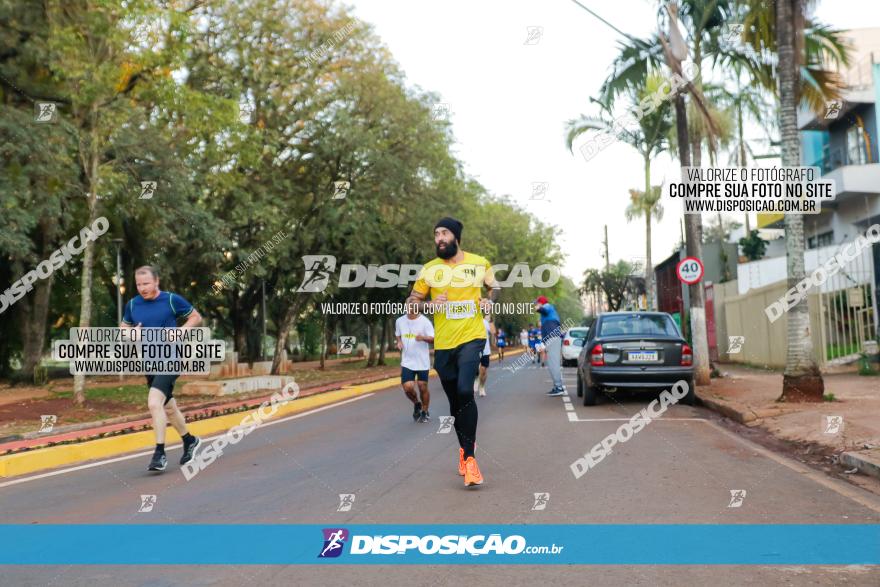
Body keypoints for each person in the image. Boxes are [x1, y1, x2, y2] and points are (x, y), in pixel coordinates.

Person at [407, 217, 500, 487]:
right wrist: (428, 304)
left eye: (444, 233)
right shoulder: (429, 269)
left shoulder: (479, 263)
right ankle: (464, 450)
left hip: (471, 337)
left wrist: (487, 299)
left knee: (464, 390)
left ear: (456, 237)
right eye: (436, 234)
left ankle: (470, 461)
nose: (439, 238)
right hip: (444, 344)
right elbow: (412, 302)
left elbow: (495, 287)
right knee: (454, 402)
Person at [120, 265, 202, 472]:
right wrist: (131, 335)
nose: (142, 288)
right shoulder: (132, 304)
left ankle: (159, 453)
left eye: (146, 283)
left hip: (171, 359)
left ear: (156, 281)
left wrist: (181, 331)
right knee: (168, 407)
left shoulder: (172, 300)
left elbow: (196, 317)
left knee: (154, 403)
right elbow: (124, 328)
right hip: (149, 362)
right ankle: (189, 440)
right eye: (139, 284)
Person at [395, 309, 434, 423]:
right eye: (408, 305)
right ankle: (417, 403)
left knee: (422, 386)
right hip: (407, 361)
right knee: (407, 387)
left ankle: (425, 411)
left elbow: (433, 338)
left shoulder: (425, 321)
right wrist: (399, 342)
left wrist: (423, 338)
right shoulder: (399, 321)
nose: (410, 308)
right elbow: (398, 334)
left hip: (422, 361)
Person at [536, 295, 565, 396]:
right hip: (550, 339)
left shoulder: (548, 306)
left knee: (553, 364)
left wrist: (539, 308)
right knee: (551, 364)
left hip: (553, 339)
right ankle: (556, 386)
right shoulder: (545, 315)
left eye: (537, 303)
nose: (536, 305)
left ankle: (559, 387)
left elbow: (544, 310)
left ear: (541, 303)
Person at [475, 316, 495, 397]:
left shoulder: (485, 322)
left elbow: (493, 331)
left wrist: (490, 320)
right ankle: (476, 379)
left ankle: (482, 386)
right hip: (473, 350)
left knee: (483, 370)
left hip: (485, 350)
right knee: (474, 368)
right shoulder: (469, 320)